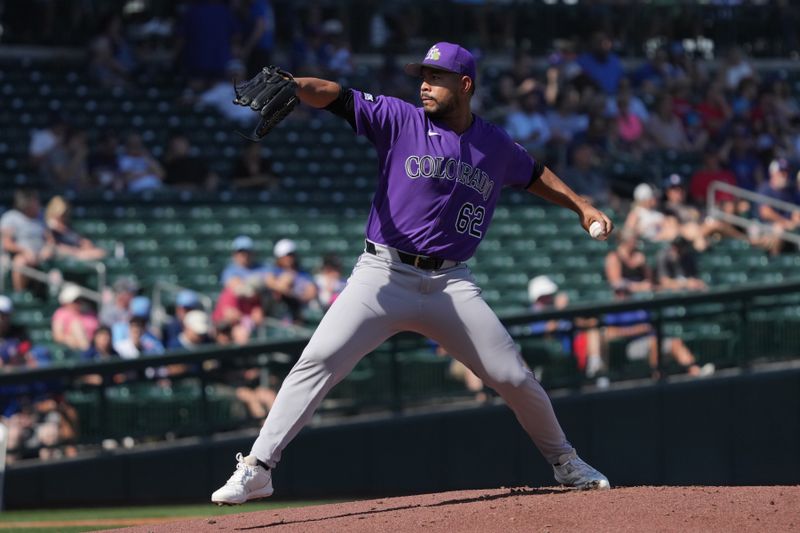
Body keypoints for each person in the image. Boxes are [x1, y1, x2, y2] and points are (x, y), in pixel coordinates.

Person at [212, 42, 614, 505]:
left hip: (450, 284)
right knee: (317, 361)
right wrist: (296, 86)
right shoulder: (401, 119)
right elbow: (338, 96)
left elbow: (535, 173)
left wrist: (581, 206)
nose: (424, 84)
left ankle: (566, 463)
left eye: (436, 77)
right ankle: (258, 468)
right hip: (382, 274)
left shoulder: (495, 144)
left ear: (464, 85)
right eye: (421, 75)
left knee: (515, 377)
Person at [604, 284, 714, 379]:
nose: (622, 295)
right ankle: (658, 377)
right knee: (654, 342)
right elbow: (610, 333)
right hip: (632, 346)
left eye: (625, 291)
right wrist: (637, 330)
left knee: (676, 342)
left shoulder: (639, 307)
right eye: (619, 292)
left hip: (653, 340)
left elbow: (652, 325)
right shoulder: (614, 311)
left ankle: (696, 372)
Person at [0, 189, 55, 292]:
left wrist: (47, 249)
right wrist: (24, 251)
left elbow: (50, 240)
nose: (38, 203)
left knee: (57, 271)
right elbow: (6, 243)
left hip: (41, 256)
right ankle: (20, 295)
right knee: (20, 262)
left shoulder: (41, 216)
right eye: (35, 201)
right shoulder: (11, 217)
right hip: (20, 256)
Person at [264, 239, 318, 325]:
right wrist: (287, 289)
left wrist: (295, 294)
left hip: (299, 310)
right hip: (278, 310)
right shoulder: (274, 271)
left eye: (291, 255)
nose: (289, 258)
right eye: (287, 255)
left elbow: (311, 292)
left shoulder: (303, 273)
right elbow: (270, 283)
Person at [44, 196, 107, 261]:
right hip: (71, 254)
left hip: (78, 251)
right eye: (62, 215)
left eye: (65, 214)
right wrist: (75, 251)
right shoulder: (50, 228)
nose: (64, 217)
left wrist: (83, 243)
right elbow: (54, 247)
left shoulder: (67, 226)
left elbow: (79, 240)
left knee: (101, 252)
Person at [51, 283, 99, 352]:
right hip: (77, 349)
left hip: (96, 344)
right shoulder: (61, 313)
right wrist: (69, 339)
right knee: (76, 325)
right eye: (75, 301)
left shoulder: (89, 312)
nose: (78, 303)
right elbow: (57, 336)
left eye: (79, 300)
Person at [604, 229, 655, 293]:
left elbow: (649, 281)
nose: (636, 243)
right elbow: (616, 283)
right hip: (623, 296)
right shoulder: (614, 257)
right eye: (634, 240)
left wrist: (644, 265)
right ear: (627, 241)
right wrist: (638, 287)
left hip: (642, 294)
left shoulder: (639, 256)